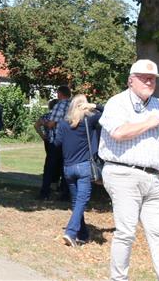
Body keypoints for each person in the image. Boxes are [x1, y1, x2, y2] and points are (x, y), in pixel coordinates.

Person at [98, 59, 159, 281]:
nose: (149, 82)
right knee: (126, 233)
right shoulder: (117, 103)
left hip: (153, 179)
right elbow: (119, 133)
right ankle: (118, 279)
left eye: (152, 79)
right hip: (123, 173)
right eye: (144, 78)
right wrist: (149, 123)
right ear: (131, 80)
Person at [55, 94, 101, 247]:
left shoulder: (63, 123)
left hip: (68, 168)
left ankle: (83, 234)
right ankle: (71, 232)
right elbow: (108, 112)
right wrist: (95, 106)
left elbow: (57, 142)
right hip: (84, 167)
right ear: (85, 106)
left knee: (76, 202)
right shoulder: (89, 120)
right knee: (81, 201)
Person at [38, 86, 72, 200]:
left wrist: (45, 123)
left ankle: (45, 192)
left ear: (60, 94)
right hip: (68, 142)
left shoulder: (60, 105)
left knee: (50, 167)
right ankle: (65, 193)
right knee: (65, 168)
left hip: (56, 140)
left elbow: (51, 124)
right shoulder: (73, 106)